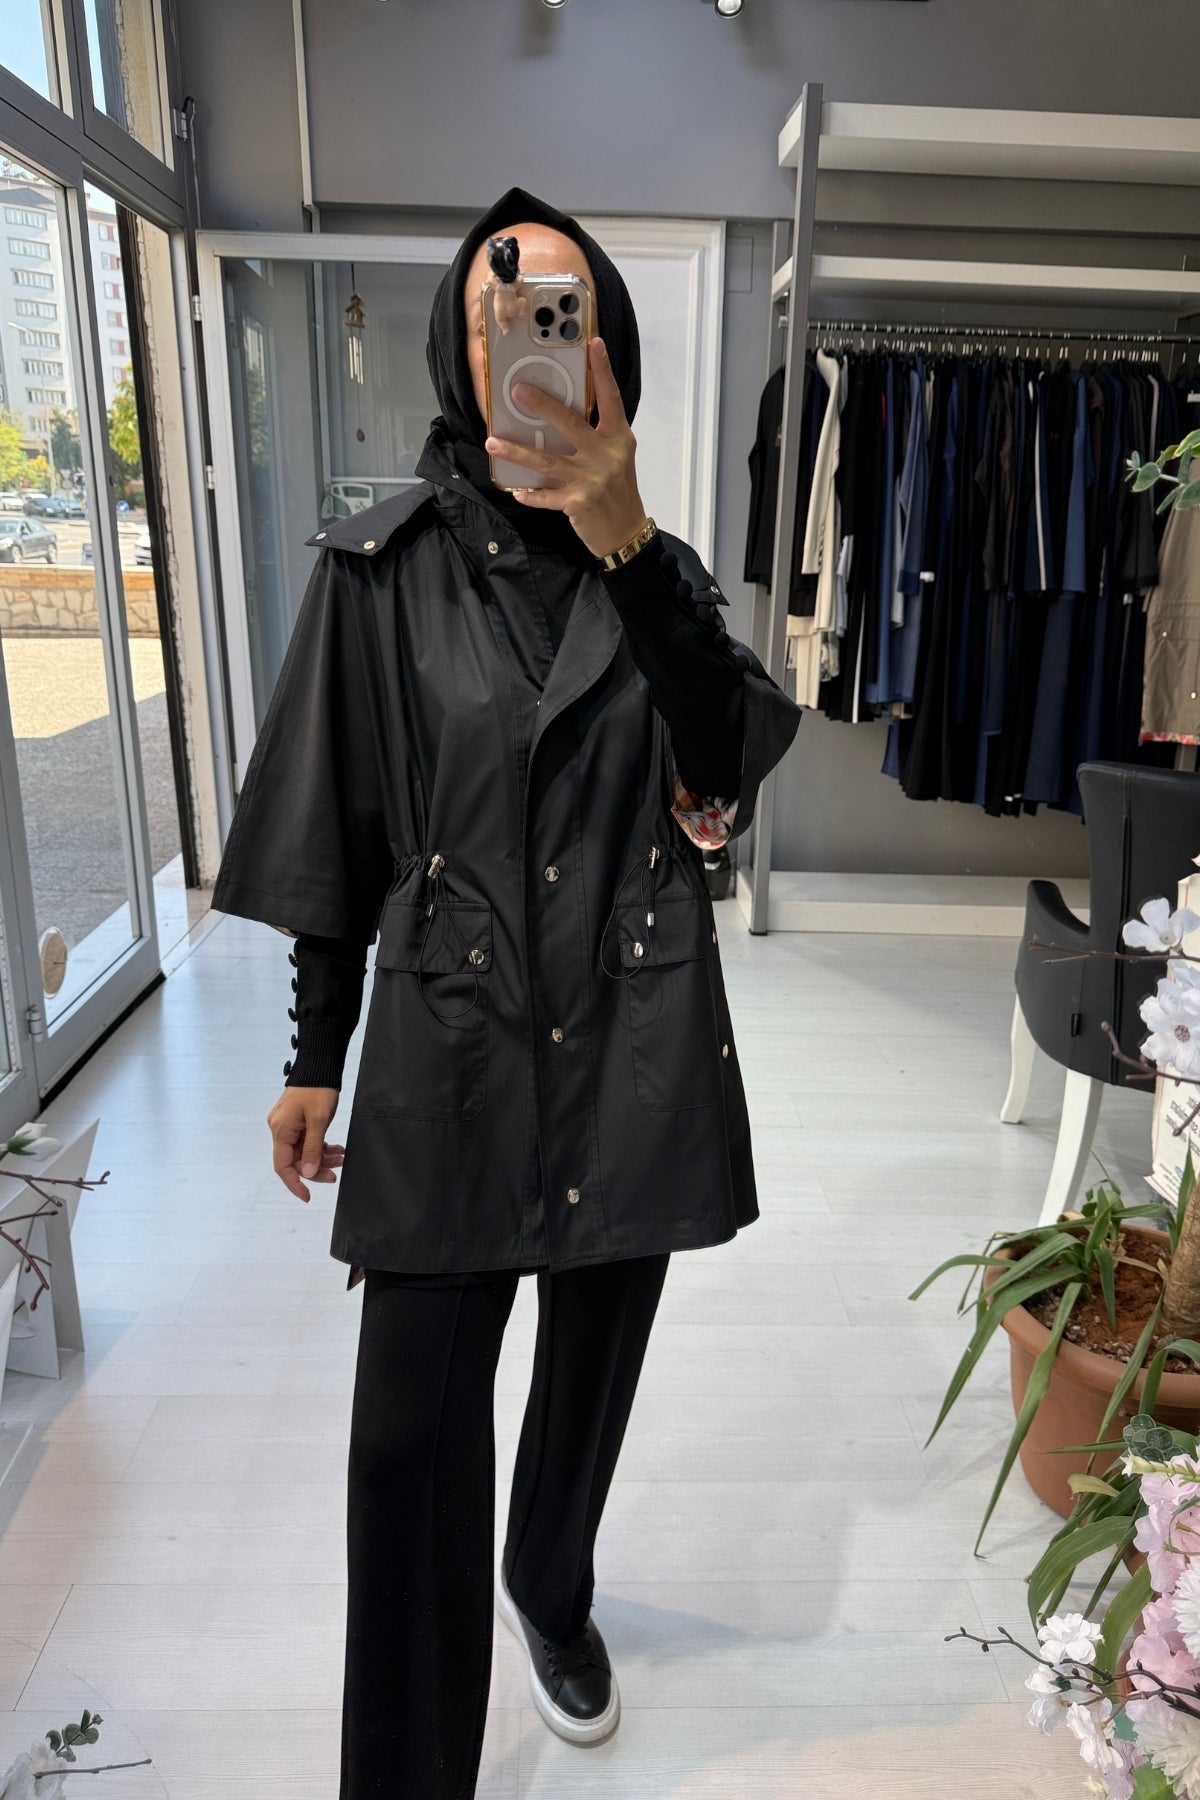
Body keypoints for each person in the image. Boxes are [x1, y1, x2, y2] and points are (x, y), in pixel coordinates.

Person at [209, 187, 802, 1799]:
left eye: (559, 310)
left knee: (589, 1380)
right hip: (450, 1040)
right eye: (500, 313)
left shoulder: (661, 570)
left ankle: (549, 1582)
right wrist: (314, 1054)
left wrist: (629, 549)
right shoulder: (378, 571)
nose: (527, 336)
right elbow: (336, 828)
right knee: (407, 1440)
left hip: (633, 1031)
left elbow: (726, 767)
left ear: (602, 344)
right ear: (460, 348)